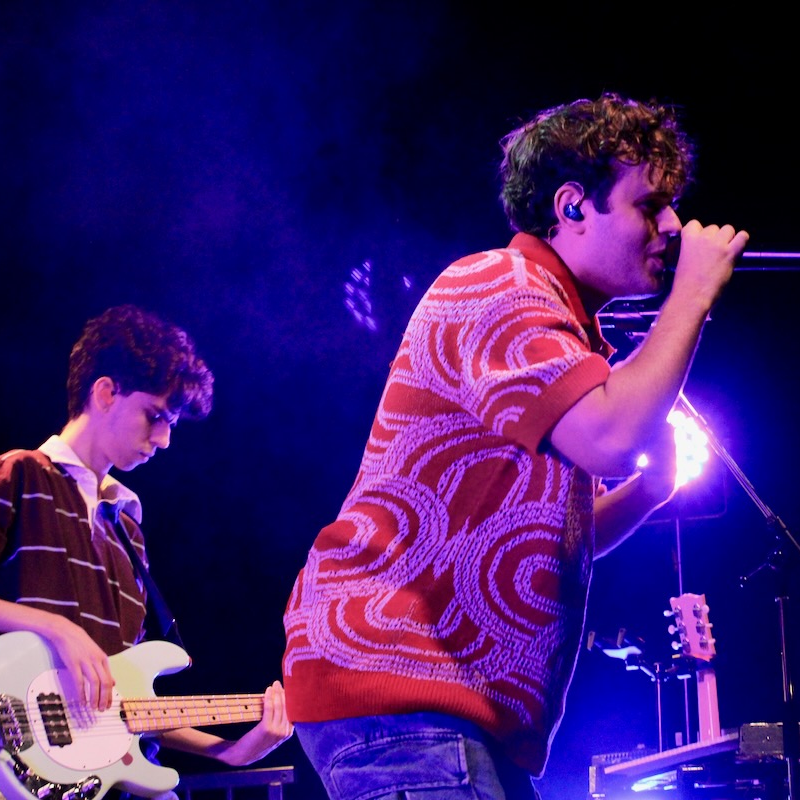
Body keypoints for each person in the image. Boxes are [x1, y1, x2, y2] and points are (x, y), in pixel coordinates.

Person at [282, 92, 748, 799]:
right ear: (572, 206)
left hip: (444, 700)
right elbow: (612, 438)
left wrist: (649, 494)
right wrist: (692, 298)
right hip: (403, 681)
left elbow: (544, 547)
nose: (673, 228)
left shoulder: (558, 328)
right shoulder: (503, 285)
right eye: (650, 206)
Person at [0, 304, 292, 796]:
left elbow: (121, 704)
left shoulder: (127, 526)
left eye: (171, 423)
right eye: (155, 416)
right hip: (37, 779)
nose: (164, 439)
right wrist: (52, 626)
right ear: (105, 392)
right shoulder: (20, 474)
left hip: (118, 782)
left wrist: (228, 751)